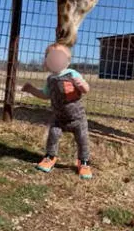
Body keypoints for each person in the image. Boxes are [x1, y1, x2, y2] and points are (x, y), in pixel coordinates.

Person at [22, 43, 93, 180]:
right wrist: (31, 89)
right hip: (59, 118)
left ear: (68, 61)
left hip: (77, 118)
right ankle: (50, 157)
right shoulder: (50, 79)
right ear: (47, 62)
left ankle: (84, 163)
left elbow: (86, 89)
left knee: (82, 140)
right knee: (53, 136)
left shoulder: (72, 74)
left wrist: (82, 86)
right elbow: (45, 95)